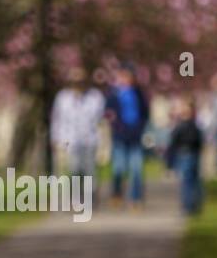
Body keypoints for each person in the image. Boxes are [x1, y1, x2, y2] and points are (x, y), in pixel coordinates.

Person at [50, 67, 106, 200]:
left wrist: (104, 143)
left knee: (89, 171)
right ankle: (76, 197)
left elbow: (101, 121)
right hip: (69, 140)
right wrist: (55, 138)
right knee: (74, 169)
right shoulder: (62, 97)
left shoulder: (95, 97)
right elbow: (57, 119)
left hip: (90, 140)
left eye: (80, 81)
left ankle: (89, 198)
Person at [104, 64, 149, 208]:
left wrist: (140, 127)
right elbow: (108, 114)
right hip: (120, 137)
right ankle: (116, 194)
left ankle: (136, 198)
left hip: (135, 137)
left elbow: (145, 112)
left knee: (136, 169)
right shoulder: (114, 94)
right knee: (118, 168)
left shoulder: (138, 93)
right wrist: (116, 127)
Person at [165, 98, 204, 215]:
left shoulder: (191, 126)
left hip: (190, 154)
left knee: (190, 182)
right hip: (184, 155)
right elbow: (172, 144)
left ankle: (190, 206)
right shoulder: (182, 126)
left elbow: (197, 142)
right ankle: (190, 206)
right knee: (188, 182)